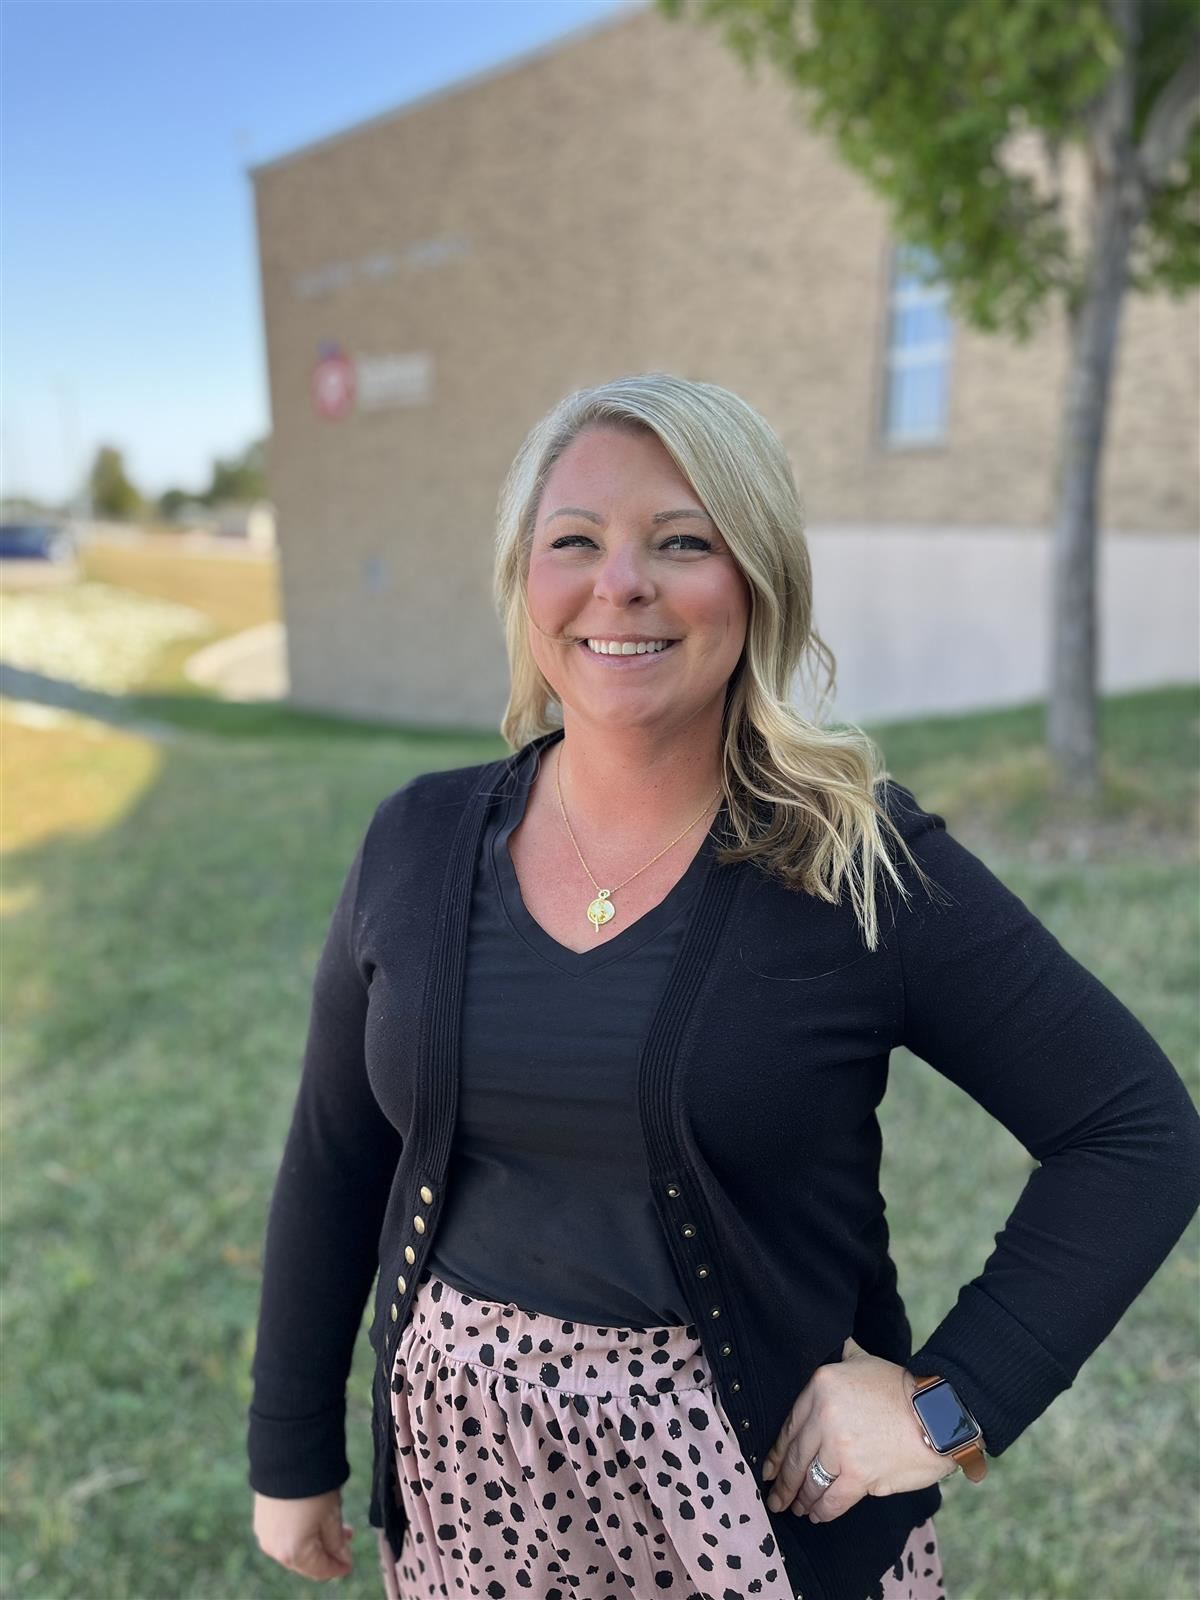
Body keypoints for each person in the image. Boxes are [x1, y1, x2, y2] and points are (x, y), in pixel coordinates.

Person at [248, 373, 1200, 1600]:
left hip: (752, 1517)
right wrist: (291, 1450)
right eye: (573, 540)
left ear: (758, 578)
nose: (621, 582)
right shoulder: (415, 841)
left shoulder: (854, 859)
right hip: (469, 1498)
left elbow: (1136, 1131)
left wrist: (950, 1401)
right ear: (523, 579)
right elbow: (337, 1156)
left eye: (682, 541)